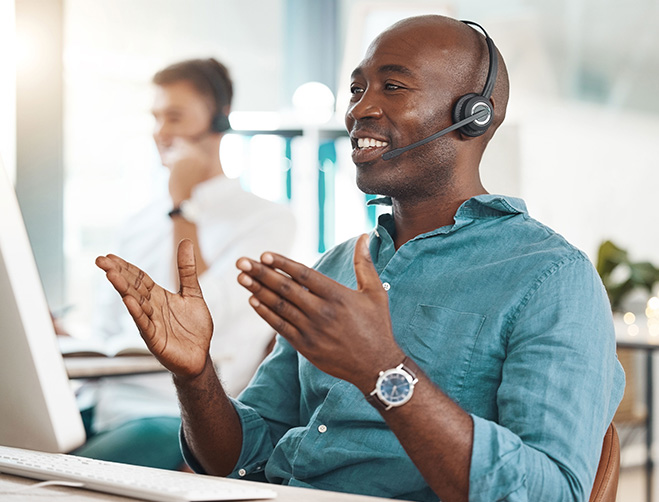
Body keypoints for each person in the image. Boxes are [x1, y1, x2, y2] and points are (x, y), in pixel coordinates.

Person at [96, 15, 624, 501]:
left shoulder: (551, 278)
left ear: (474, 115)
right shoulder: (337, 265)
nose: (359, 109)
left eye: (392, 87)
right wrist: (195, 375)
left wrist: (382, 368)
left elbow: (550, 493)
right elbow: (241, 457)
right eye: (357, 88)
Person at [75, 58, 296, 470]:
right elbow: (106, 330)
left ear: (218, 121)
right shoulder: (139, 220)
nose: (161, 132)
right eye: (156, 118)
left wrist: (183, 206)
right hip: (101, 406)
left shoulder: (266, 220)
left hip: (170, 416)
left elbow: (194, 313)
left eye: (174, 117)